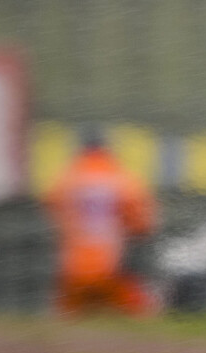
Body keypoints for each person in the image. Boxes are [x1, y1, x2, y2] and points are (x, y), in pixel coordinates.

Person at [42, 127, 159, 315]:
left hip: (74, 266)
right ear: (107, 149)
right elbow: (143, 222)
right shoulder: (121, 178)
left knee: (69, 327)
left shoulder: (67, 179)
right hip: (113, 264)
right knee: (134, 321)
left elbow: (52, 208)